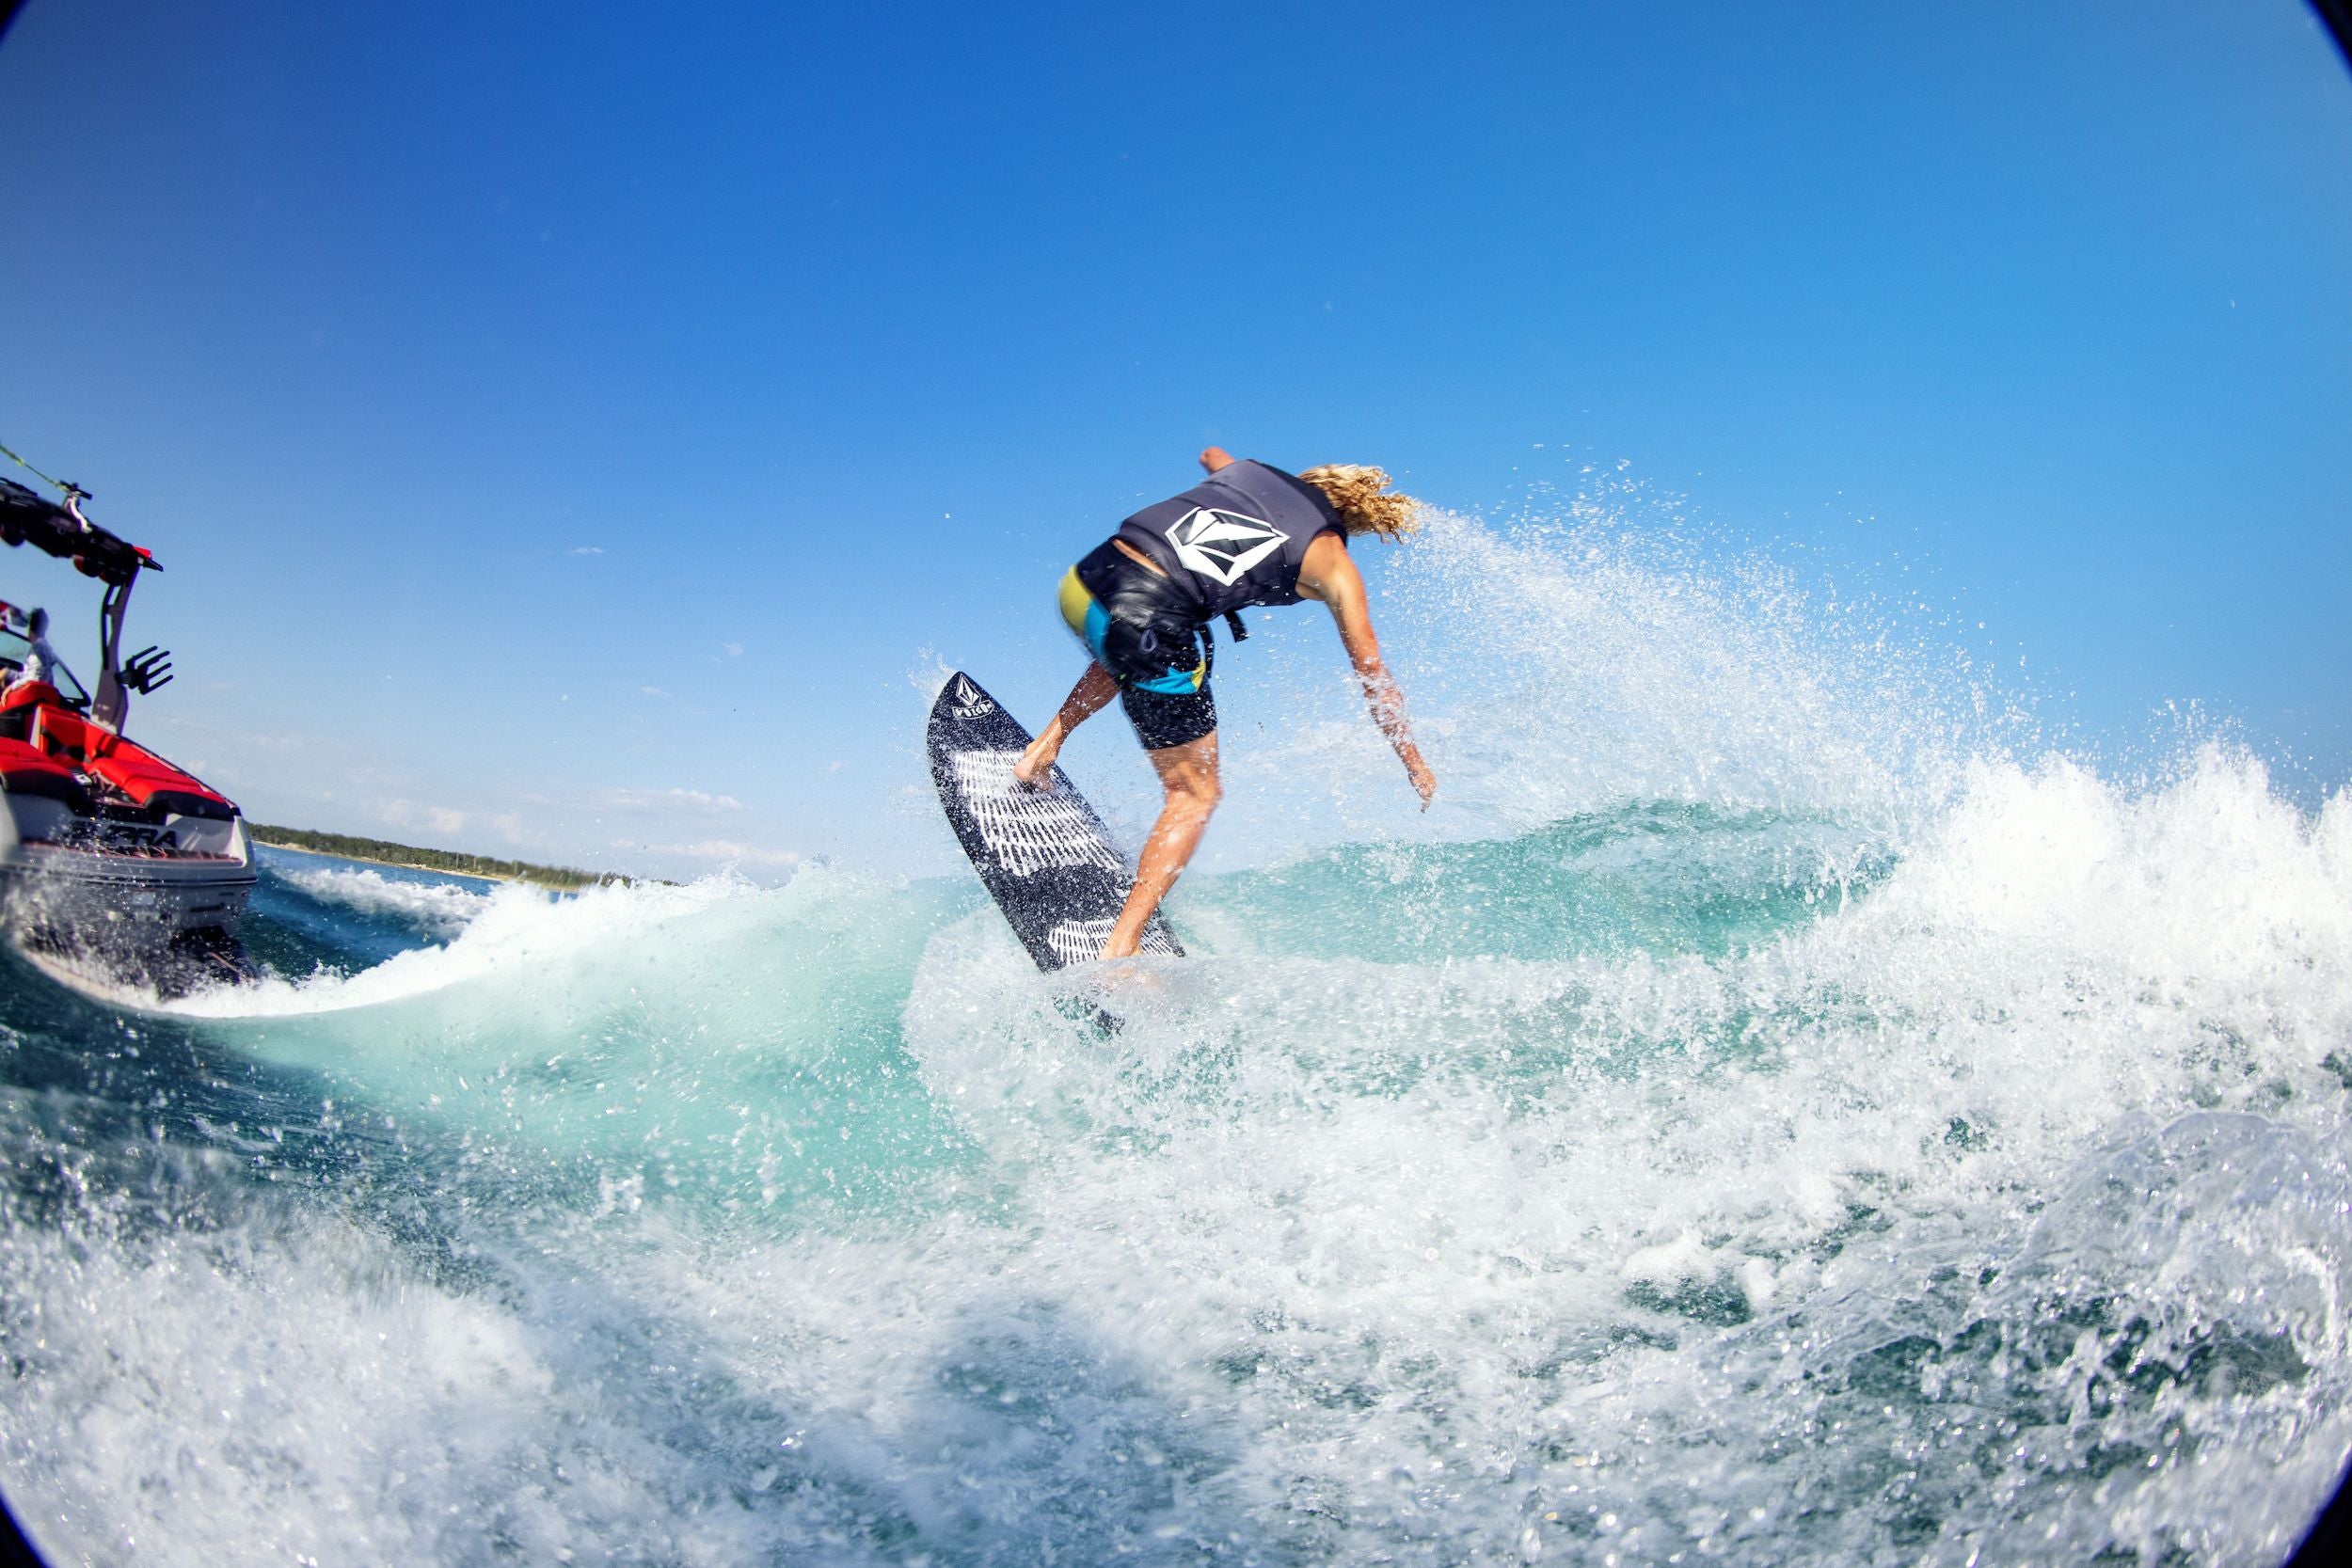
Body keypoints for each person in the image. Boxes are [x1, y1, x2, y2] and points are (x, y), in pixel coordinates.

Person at [1014, 446, 1436, 959]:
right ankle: (1122, 947)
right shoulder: (1336, 563)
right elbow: (1372, 671)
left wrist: (1218, 462)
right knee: (1195, 795)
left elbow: (1212, 453)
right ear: (1355, 519)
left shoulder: (1249, 472)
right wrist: (1412, 760)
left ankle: (1042, 752)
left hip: (1086, 582)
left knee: (1126, 645)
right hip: (1149, 619)